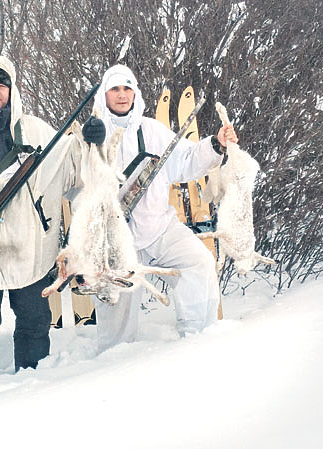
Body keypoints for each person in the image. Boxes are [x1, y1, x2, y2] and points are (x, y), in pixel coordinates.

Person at [0, 54, 85, 388]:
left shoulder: (35, 130)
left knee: (34, 325)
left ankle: (32, 395)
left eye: (1, 86)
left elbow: (72, 167)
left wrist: (89, 140)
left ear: (11, 90)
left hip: (29, 249)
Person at [86, 64, 238, 349]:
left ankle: (199, 338)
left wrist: (216, 145)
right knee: (117, 304)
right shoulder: (91, 133)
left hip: (158, 226)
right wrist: (87, 148)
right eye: (115, 89)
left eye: (127, 88)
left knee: (198, 262)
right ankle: (112, 365)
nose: (122, 95)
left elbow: (185, 161)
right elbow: (75, 186)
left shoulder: (152, 131)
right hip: (115, 240)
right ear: (104, 95)